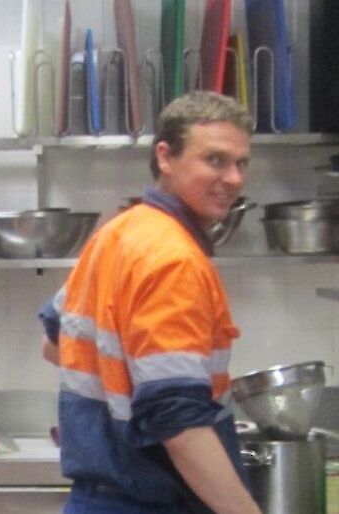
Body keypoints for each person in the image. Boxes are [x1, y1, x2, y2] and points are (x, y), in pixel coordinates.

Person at [53, 91, 262, 514]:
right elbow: (179, 423)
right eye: (216, 160)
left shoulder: (117, 234)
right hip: (148, 503)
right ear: (165, 157)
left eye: (241, 164)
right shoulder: (174, 259)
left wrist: (120, 394)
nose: (235, 179)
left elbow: (55, 341)